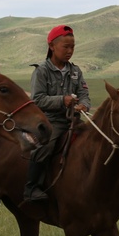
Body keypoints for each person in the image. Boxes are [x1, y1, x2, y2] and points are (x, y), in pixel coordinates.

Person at [24, 24, 90, 202]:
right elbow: (37, 99)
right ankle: (31, 187)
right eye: (66, 47)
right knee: (46, 145)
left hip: (74, 120)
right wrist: (62, 100)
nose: (70, 51)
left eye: (73, 47)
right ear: (52, 47)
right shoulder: (41, 71)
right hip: (50, 120)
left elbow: (84, 94)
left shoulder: (75, 71)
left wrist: (83, 105)